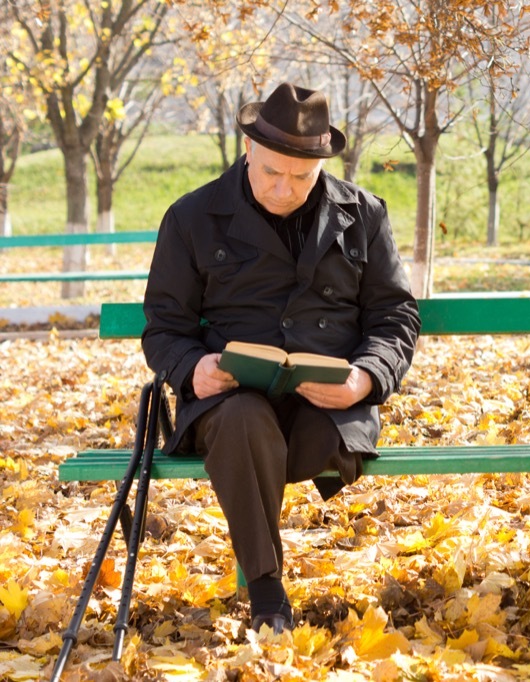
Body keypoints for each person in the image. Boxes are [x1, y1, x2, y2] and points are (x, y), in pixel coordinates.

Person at [142, 83, 421, 633]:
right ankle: (268, 595)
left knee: (276, 442)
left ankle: (261, 477)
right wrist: (193, 368)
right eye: (271, 171)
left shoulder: (361, 213)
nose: (284, 187)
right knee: (246, 424)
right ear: (248, 151)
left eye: (301, 176)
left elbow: (395, 318)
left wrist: (365, 379)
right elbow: (164, 328)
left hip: (328, 412)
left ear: (321, 164)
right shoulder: (192, 216)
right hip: (230, 407)